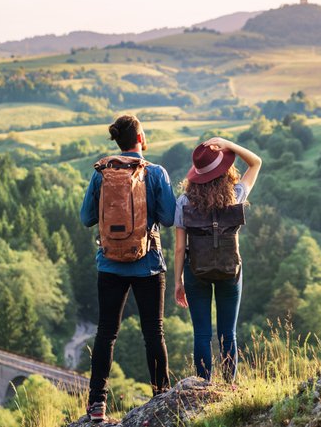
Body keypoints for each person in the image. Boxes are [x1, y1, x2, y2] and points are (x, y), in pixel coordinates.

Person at [80, 115, 176, 423]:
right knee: (154, 332)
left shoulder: (101, 174)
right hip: (147, 263)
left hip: (109, 264)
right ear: (140, 138)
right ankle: (161, 395)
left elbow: (86, 218)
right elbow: (171, 217)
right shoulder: (156, 173)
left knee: (106, 333)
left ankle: (97, 405)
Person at [173, 137, 261, 383]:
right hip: (230, 271)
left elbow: (180, 249)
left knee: (201, 333)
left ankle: (203, 385)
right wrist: (228, 144)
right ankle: (230, 385)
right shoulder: (236, 195)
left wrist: (178, 282)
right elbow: (256, 163)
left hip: (195, 272)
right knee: (228, 333)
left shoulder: (184, 202)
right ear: (225, 171)